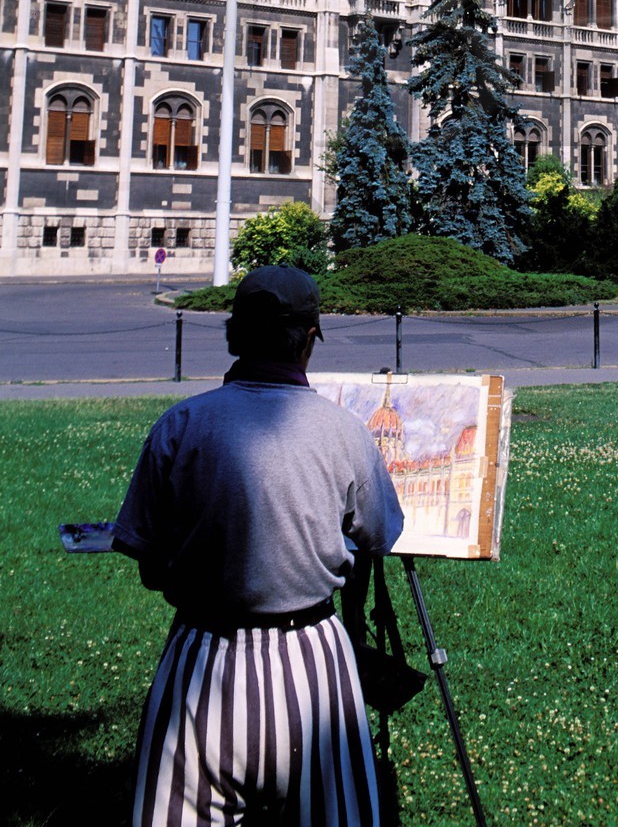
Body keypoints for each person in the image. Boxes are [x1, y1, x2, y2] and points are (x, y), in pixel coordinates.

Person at [113, 264, 404, 826]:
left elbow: (148, 562)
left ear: (234, 335)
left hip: (203, 663)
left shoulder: (180, 425)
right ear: (309, 341)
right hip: (312, 664)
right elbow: (378, 536)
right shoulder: (344, 431)